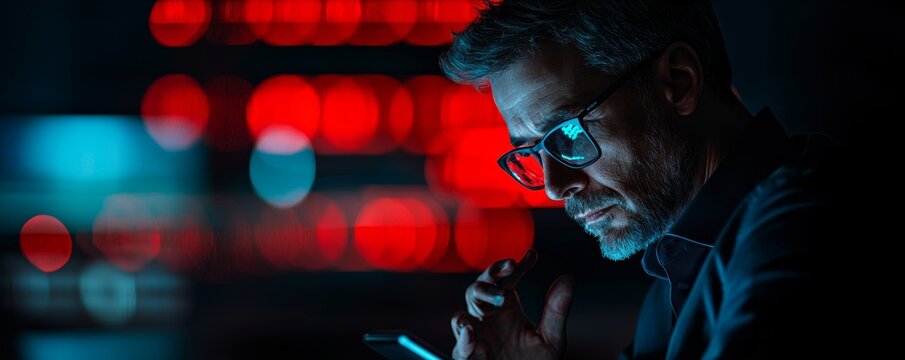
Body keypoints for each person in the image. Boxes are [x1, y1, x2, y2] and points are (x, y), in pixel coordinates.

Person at [439, 0, 841, 358]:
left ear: (678, 81)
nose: (555, 186)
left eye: (570, 134)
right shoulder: (671, 281)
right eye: (531, 152)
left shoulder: (802, 220)